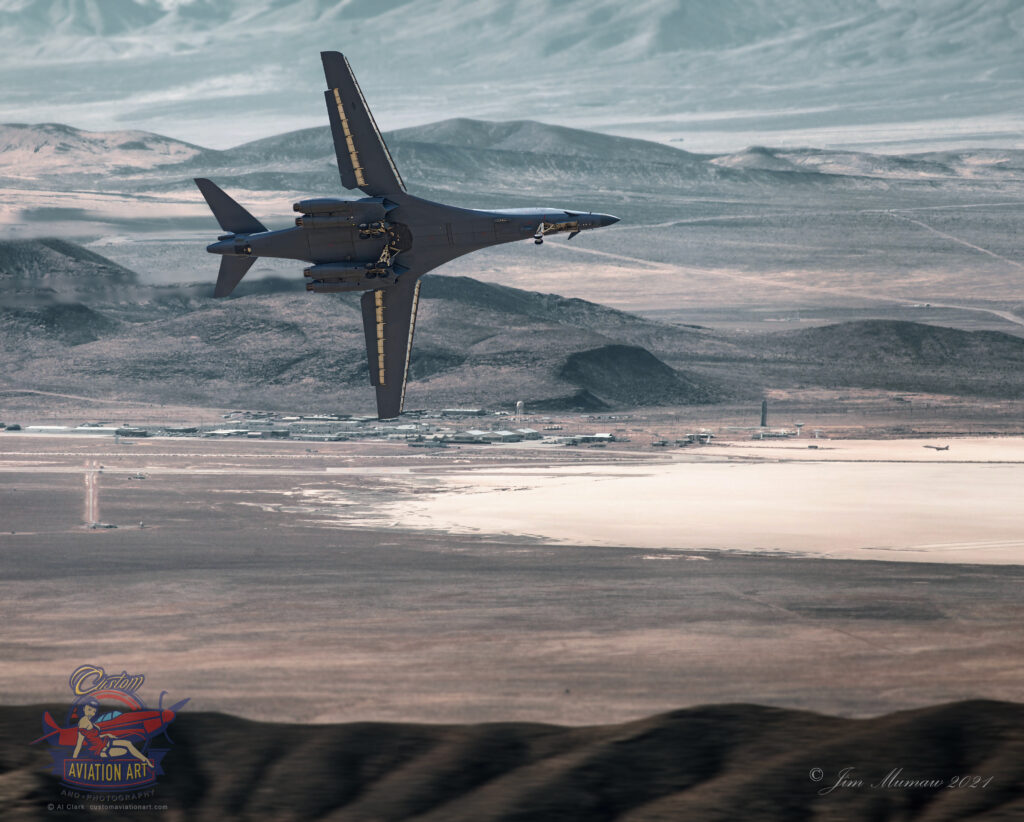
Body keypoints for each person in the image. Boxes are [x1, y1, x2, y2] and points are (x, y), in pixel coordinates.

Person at [71, 698, 154, 767]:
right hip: (97, 749)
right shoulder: (83, 722)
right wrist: (74, 761)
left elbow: (92, 736)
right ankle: (142, 762)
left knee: (127, 743)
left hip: (103, 742)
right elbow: (79, 744)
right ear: (84, 708)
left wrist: (106, 734)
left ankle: (145, 760)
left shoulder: (88, 721)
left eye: (93, 711)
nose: (91, 713)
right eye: (89, 709)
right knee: (124, 751)